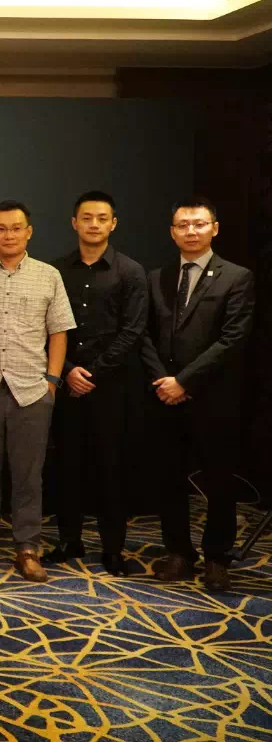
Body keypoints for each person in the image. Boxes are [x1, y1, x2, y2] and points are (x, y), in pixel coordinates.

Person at [140, 197, 254, 592]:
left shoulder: (237, 277)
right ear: (172, 232)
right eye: (183, 225)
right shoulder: (156, 277)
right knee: (168, 477)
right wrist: (163, 380)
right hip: (164, 396)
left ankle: (217, 557)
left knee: (219, 480)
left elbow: (232, 339)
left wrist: (184, 381)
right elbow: (144, 335)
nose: (191, 231)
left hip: (213, 397)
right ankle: (178, 552)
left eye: (199, 224)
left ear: (214, 229)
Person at [0, 201, 75, 583]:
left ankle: (27, 548)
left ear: (29, 231)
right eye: (1, 228)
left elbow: (59, 332)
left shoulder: (48, 276)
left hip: (32, 390)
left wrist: (52, 382)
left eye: (16, 227)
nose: (9, 235)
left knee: (28, 476)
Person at [44, 192, 147, 577]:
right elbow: (47, 327)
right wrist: (69, 370)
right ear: (74, 222)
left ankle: (113, 548)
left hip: (112, 387)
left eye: (102, 218)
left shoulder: (130, 271)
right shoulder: (56, 270)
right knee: (66, 465)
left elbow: (133, 330)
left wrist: (94, 373)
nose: (94, 224)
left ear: (113, 224)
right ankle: (69, 540)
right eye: (86, 218)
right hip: (67, 381)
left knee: (110, 467)